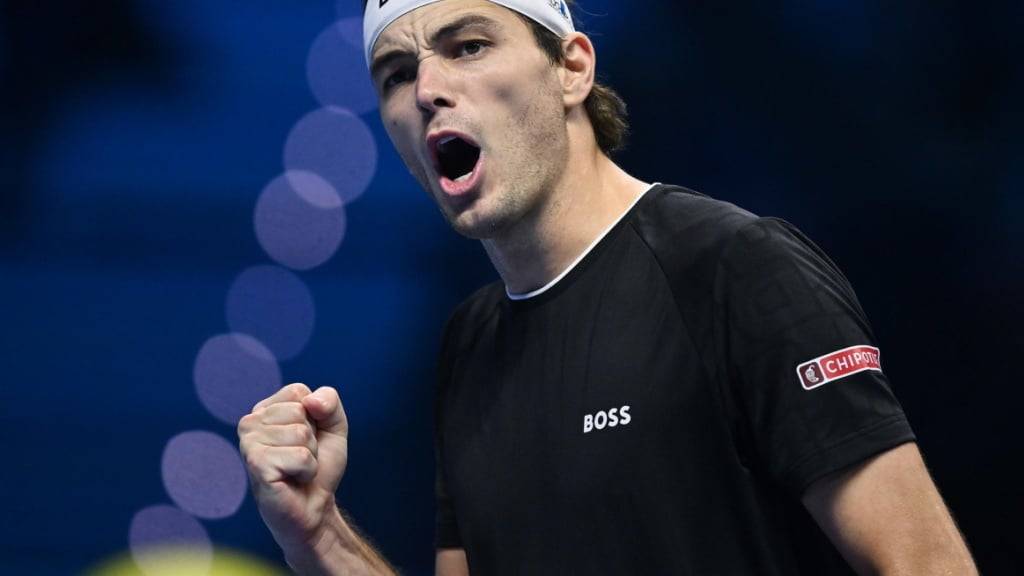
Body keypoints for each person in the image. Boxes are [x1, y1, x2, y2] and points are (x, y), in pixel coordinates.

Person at [237, 1, 979, 574]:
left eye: (468, 46)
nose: (428, 89)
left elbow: (927, 564)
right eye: (397, 75)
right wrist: (319, 533)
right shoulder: (469, 343)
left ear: (572, 68)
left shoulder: (736, 267)